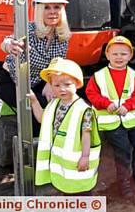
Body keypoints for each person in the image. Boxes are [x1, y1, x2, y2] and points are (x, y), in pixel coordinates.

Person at [0, 0, 71, 137]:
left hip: (39, 81)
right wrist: (9, 46)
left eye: (57, 7)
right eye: (47, 7)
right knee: (38, 106)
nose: (52, 12)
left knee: (62, 99)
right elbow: (7, 41)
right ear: (38, 9)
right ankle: (37, 144)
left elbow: (58, 61)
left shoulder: (62, 35)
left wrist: (49, 82)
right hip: (12, 82)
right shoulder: (28, 29)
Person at [85, 36, 135, 197]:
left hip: (130, 118)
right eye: (115, 54)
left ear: (130, 56)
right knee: (122, 150)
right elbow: (91, 93)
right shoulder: (99, 75)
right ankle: (123, 181)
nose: (119, 57)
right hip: (110, 121)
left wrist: (128, 106)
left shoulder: (134, 75)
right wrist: (105, 103)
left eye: (123, 54)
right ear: (107, 55)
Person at [30, 57, 101, 194]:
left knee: (82, 196)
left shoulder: (83, 109)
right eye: (56, 85)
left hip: (79, 165)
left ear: (77, 84)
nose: (62, 89)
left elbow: (86, 134)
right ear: (50, 86)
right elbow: (41, 119)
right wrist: (34, 102)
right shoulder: (54, 104)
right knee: (67, 194)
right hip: (62, 169)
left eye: (67, 84)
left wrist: (85, 156)